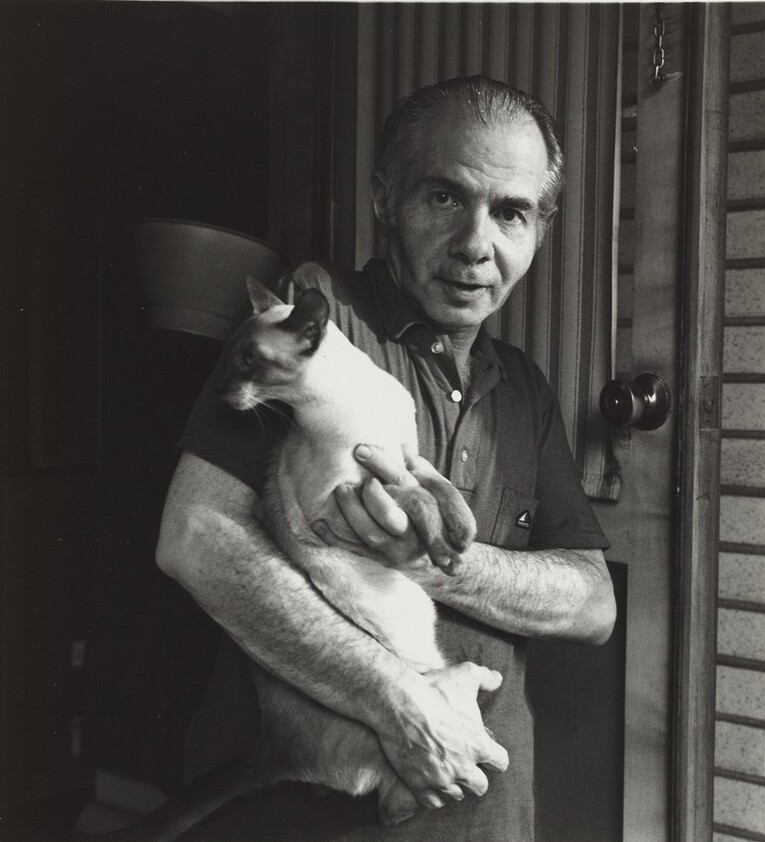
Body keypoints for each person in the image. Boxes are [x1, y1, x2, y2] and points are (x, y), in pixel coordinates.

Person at [156, 75, 616, 842]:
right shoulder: (313, 317)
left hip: (484, 813)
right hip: (309, 813)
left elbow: (593, 604)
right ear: (383, 199)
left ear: (540, 229)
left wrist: (432, 561)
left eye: (511, 212)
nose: (476, 244)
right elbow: (195, 537)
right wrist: (396, 701)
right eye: (443, 198)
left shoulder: (524, 388)